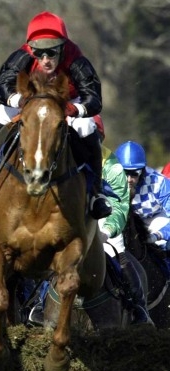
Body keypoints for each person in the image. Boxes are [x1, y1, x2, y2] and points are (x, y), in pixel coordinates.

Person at [0, 11, 111, 220]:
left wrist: (74, 110)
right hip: (30, 100)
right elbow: (0, 85)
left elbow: (93, 97)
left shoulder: (76, 59)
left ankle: (96, 192)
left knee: (86, 126)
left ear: (62, 47)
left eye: (51, 53)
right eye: (39, 53)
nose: (45, 60)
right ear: (30, 48)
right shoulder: (22, 56)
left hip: (67, 101)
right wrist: (19, 101)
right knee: (1, 115)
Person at [28, 117, 152, 325]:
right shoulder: (59, 160)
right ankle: (40, 304)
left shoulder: (111, 165)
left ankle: (137, 305)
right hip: (69, 219)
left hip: (103, 218)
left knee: (117, 251)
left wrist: (108, 230)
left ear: (99, 138)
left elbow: (120, 204)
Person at [114, 140, 170, 249]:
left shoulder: (159, 183)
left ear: (143, 171)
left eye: (134, 174)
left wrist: (157, 235)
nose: (129, 179)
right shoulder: (108, 183)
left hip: (154, 221)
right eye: (124, 173)